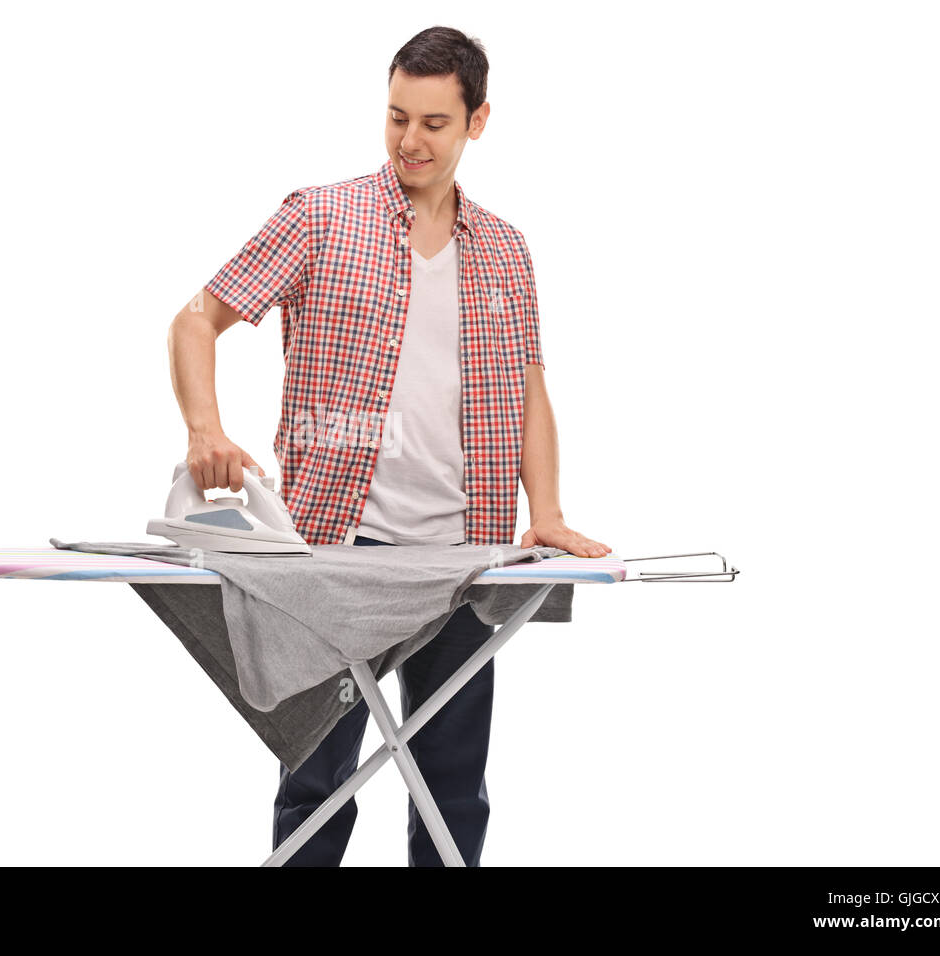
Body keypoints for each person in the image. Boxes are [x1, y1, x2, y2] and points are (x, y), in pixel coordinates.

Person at [166, 26, 610, 866]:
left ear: (478, 122)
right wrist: (204, 429)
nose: (410, 140)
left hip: (463, 556)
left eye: (434, 124)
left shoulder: (507, 252)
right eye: (397, 116)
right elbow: (196, 320)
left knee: (452, 786)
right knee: (318, 779)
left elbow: (529, 388)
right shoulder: (319, 217)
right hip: (338, 552)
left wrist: (544, 512)